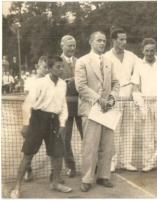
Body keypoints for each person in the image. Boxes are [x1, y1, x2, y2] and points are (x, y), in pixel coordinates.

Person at [10, 55, 72, 198]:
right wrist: (26, 124)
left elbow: (63, 106)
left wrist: (62, 123)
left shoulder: (63, 84)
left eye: (62, 67)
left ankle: (55, 183)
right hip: (38, 119)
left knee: (58, 154)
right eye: (58, 67)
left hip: (54, 121)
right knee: (28, 155)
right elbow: (27, 104)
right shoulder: (39, 83)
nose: (61, 69)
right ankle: (17, 188)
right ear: (50, 69)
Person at [75, 31, 119, 192]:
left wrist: (112, 98)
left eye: (104, 41)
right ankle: (87, 179)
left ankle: (103, 176)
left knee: (107, 145)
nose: (102, 43)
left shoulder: (109, 62)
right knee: (90, 146)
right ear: (91, 42)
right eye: (99, 40)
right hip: (91, 109)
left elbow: (116, 83)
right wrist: (99, 99)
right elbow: (81, 86)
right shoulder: (82, 61)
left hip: (107, 109)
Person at [104, 28, 139, 172]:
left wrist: (135, 87)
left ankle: (126, 161)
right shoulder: (106, 56)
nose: (124, 42)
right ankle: (112, 161)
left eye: (125, 39)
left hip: (129, 95)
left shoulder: (132, 56)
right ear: (113, 41)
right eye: (121, 39)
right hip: (114, 95)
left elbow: (139, 70)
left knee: (129, 129)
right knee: (113, 129)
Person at [131, 38, 157, 172]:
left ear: (156, 50)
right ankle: (148, 162)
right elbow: (135, 87)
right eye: (147, 51)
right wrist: (141, 106)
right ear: (142, 51)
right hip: (145, 103)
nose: (149, 53)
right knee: (147, 135)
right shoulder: (139, 65)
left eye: (152, 50)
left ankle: (156, 158)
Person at [21, 55, 49, 182]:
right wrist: (25, 122)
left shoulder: (50, 81)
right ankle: (28, 170)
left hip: (48, 118)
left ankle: (55, 176)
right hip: (34, 119)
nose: (46, 70)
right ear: (38, 67)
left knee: (53, 147)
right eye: (44, 67)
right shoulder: (31, 81)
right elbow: (27, 103)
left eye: (48, 67)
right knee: (30, 148)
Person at [59, 35, 83, 178]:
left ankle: (90, 164)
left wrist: (73, 81)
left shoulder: (80, 61)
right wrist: (66, 82)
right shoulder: (57, 61)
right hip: (65, 107)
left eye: (74, 45)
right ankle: (71, 167)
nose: (72, 48)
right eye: (69, 45)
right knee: (65, 139)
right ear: (62, 45)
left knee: (86, 136)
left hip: (80, 106)